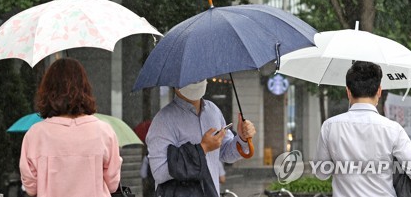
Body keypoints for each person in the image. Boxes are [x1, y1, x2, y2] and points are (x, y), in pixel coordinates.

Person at [314, 61, 411, 196]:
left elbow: (321, 173)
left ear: (348, 91)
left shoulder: (329, 126)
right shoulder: (393, 129)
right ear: (379, 91)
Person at [19, 57, 122, 197]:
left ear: (47, 91)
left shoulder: (35, 135)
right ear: (85, 88)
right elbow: (112, 184)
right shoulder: (104, 131)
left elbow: (31, 187)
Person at [146, 79, 256, 197]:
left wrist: (242, 138)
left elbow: (225, 153)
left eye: (200, 77)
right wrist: (202, 149)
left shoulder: (213, 111)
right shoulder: (163, 121)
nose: (195, 81)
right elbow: (159, 172)